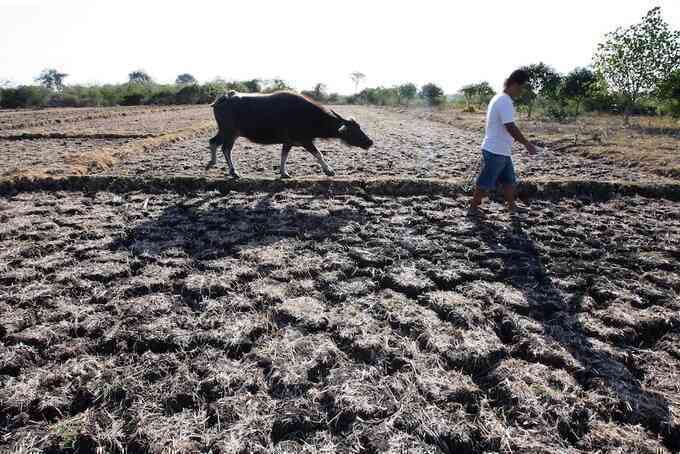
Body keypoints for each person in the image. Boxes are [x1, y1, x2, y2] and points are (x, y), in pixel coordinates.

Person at [470, 69, 538, 213]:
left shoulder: (500, 99)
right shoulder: (504, 101)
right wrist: (527, 143)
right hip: (496, 149)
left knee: (509, 180)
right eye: (521, 87)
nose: (521, 91)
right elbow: (510, 126)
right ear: (513, 84)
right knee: (486, 180)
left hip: (501, 149)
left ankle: (512, 206)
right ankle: (473, 207)